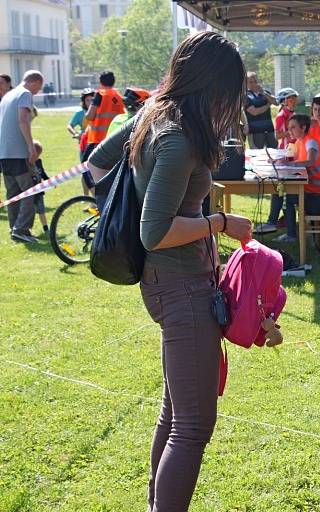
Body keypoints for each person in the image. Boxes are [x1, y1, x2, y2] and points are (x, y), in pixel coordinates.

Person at [85, 31, 253, 511]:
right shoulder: (177, 136)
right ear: (212, 86)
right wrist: (220, 222)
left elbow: (96, 164)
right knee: (193, 426)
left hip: (170, 283)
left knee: (176, 414)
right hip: (179, 285)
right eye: (230, 90)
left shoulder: (153, 116)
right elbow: (154, 232)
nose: (233, 102)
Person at [271, 94, 320, 243]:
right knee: (282, 192)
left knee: (286, 195)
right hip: (314, 180)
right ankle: (278, 225)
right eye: (314, 109)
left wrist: (314, 162)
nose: (316, 113)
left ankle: (288, 231)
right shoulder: (308, 132)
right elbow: (300, 152)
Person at [0, 70, 44, 243]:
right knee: (29, 190)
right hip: (18, 153)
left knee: (13, 193)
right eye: (38, 88)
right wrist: (30, 147)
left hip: (4, 153)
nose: (37, 92)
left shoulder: (8, 95)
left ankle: (14, 228)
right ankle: (22, 229)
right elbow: (22, 120)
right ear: (34, 82)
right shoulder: (24, 94)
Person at [253, 87, 299, 236]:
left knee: (281, 190)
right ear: (283, 101)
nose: (294, 101)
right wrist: (292, 132)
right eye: (290, 98)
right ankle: (274, 222)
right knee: (280, 188)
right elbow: (278, 136)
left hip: (294, 152)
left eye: (294, 98)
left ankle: (273, 221)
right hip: (286, 152)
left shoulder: (293, 114)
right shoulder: (281, 115)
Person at [276, 114, 320, 242]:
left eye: (293, 127)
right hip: (308, 184)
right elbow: (294, 158)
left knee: (286, 197)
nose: (290, 131)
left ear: (303, 127)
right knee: (281, 193)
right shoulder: (300, 141)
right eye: (289, 128)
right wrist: (280, 160)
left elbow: (310, 161)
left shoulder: (310, 141)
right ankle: (282, 228)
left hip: (317, 189)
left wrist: (290, 163)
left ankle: (291, 234)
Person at [83, 71, 125, 193]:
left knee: (87, 171)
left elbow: (90, 116)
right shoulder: (118, 96)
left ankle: (98, 198)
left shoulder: (99, 95)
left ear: (101, 82)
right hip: (114, 140)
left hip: (97, 141)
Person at [244, 71, 278, 149]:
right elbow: (254, 112)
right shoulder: (245, 96)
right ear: (246, 84)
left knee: (274, 153)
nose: (253, 84)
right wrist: (268, 105)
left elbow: (276, 102)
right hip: (255, 132)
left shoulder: (265, 93)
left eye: (255, 81)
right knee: (257, 156)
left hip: (270, 130)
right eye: (250, 82)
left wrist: (263, 93)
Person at [28, 140, 49, 233]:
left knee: (41, 210)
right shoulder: (26, 163)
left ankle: (45, 228)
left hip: (39, 191)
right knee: (29, 211)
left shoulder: (39, 162)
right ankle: (27, 228)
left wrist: (49, 180)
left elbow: (43, 173)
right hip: (29, 192)